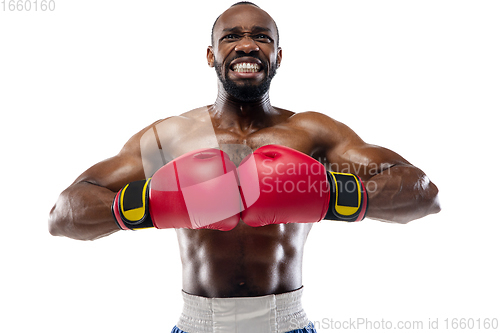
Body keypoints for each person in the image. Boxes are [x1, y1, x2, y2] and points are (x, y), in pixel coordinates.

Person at [48, 2, 440, 332]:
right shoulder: (168, 138)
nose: (247, 45)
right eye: (231, 37)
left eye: (262, 37)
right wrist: (149, 205)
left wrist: (330, 194)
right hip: (197, 324)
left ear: (278, 56)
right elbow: (63, 214)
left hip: (288, 324)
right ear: (211, 54)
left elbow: (423, 194)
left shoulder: (313, 132)